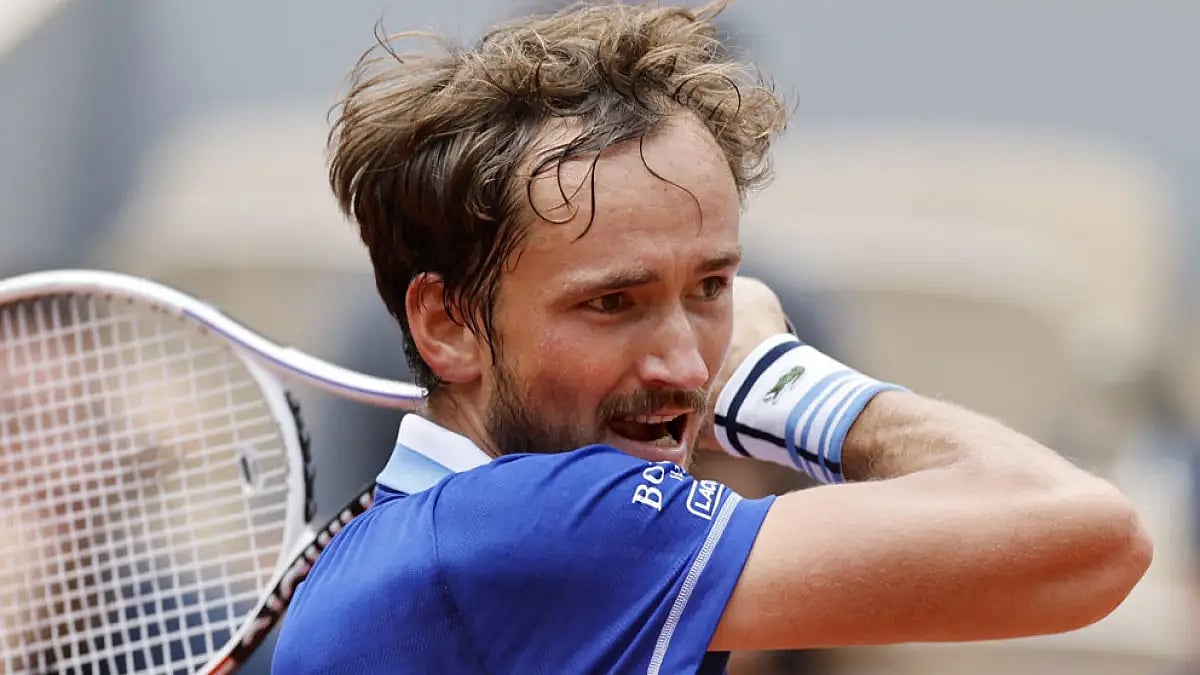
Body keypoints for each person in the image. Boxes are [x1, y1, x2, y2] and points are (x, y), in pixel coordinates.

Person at [271, 2, 1152, 673]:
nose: (688, 364)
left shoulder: (428, 542)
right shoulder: (534, 527)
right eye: (612, 302)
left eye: (711, 287)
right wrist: (778, 380)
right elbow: (1088, 538)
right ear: (446, 321)